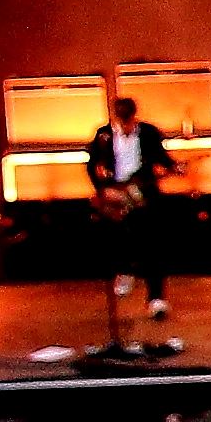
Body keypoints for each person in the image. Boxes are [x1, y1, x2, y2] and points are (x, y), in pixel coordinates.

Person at [83, 97, 176, 326]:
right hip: (116, 194)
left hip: (142, 193)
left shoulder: (148, 133)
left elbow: (161, 157)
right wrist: (102, 189)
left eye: (128, 120)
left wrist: (174, 167)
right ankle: (124, 271)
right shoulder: (103, 135)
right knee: (120, 238)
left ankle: (156, 298)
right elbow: (91, 164)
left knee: (151, 244)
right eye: (121, 120)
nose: (125, 126)